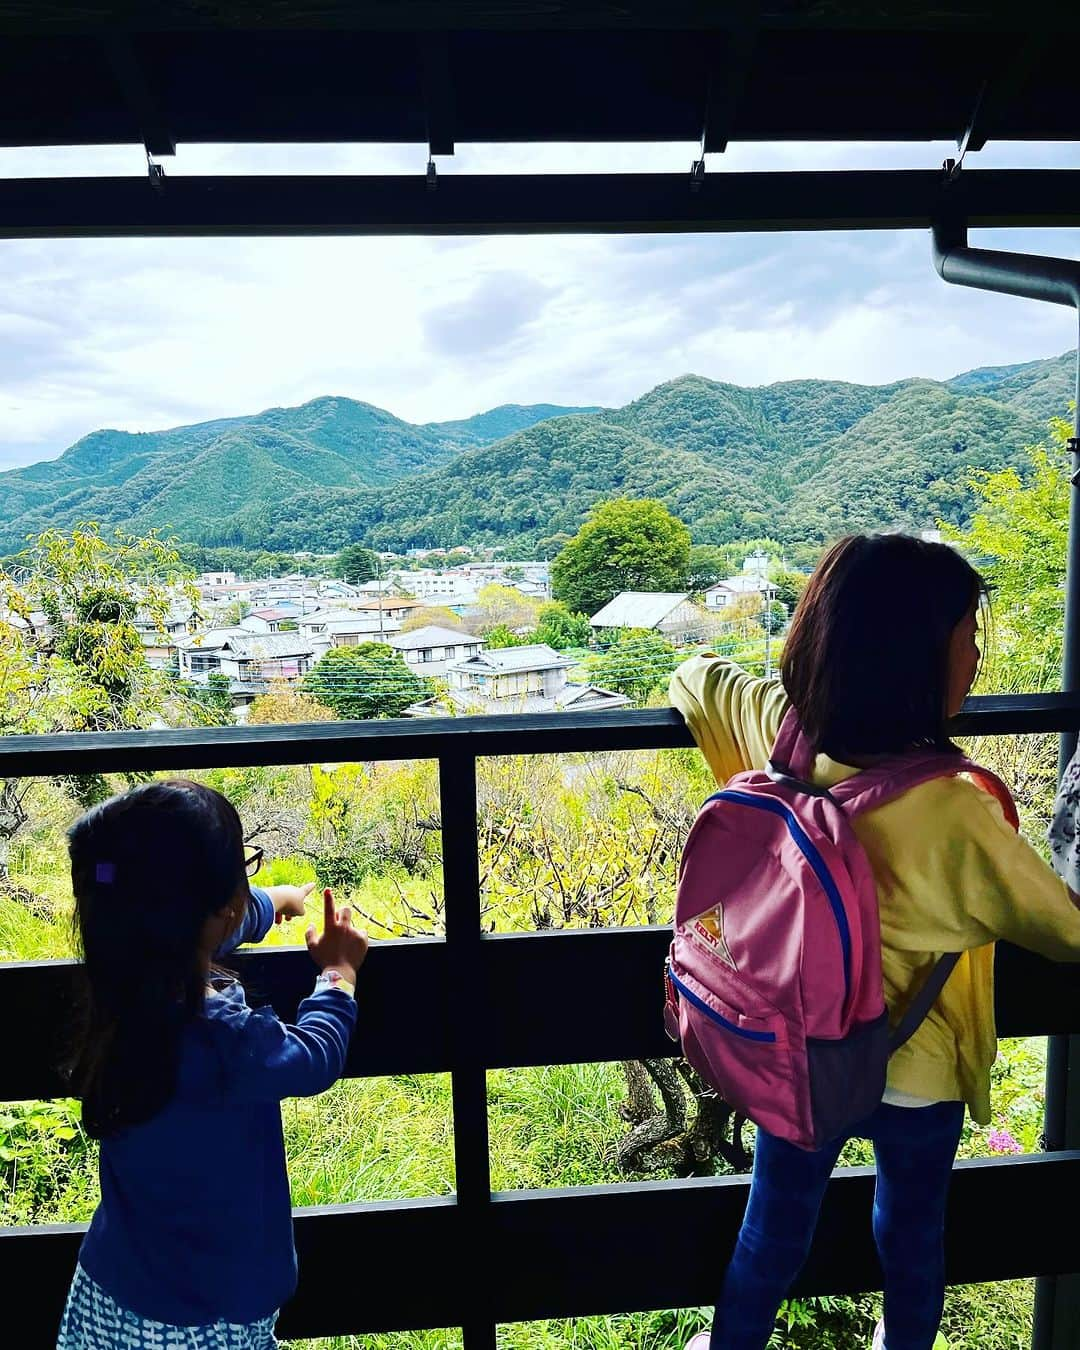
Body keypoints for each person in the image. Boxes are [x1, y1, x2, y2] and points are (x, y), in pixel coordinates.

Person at [672, 533, 1080, 1350]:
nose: (973, 659)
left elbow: (697, 679)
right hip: (918, 1069)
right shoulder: (957, 811)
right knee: (912, 1236)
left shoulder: (780, 740)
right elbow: (1067, 932)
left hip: (802, 1055)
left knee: (771, 1235)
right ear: (917, 661)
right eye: (966, 638)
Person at [56, 778, 368, 1350]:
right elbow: (311, 1057)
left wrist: (276, 901)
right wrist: (337, 975)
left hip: (110, 1293)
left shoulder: (122, 980)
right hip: (208, 1317)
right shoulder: (223, 1037)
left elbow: (182, 921)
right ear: (219, 909)